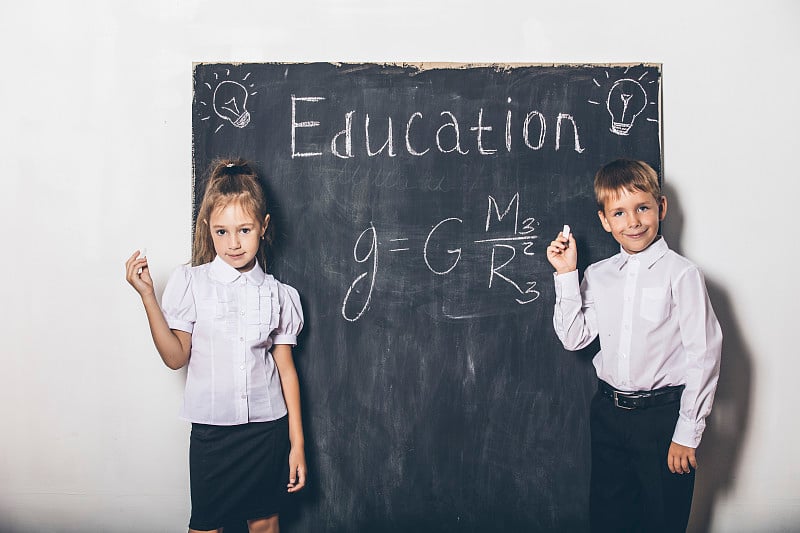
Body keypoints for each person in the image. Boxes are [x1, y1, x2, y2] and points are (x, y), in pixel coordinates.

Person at [125, 159, 307, 533]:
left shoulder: (278, 294)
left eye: (244, 230)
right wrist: (148, 297)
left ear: (264, 227)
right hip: (213, 435)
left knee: (264, 524)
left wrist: (297, 443)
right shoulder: (191, 282)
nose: (234, 243)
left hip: (266, 431)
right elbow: (176, 358)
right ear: (208, 228)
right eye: (222, 231)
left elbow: (287, 372)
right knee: (206, 528)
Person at [546, 159, 722, 533]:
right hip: (608, 415)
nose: (634, 221)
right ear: (605, 221)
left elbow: (704, 356)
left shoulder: (682, 275)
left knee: (661, 520)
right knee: (610, 520)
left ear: (661, 207)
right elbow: (574, 336)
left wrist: (686, 434)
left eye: (643, 207)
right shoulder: (599, 275)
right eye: (620, 213)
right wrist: (566, 274)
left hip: (662, 419)